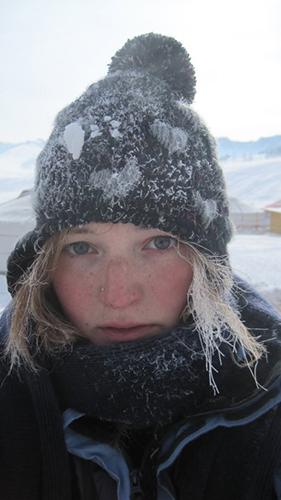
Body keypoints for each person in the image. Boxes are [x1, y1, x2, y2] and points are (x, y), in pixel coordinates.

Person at [1, 33, 281, 500]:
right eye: (82, 248)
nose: (119, 295)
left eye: (158, 242)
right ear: (44, 261)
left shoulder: (267, 392)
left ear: (207, 262)